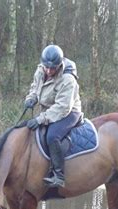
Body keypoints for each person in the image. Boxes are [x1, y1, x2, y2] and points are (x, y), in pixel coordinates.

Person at [24, 44, 82, 188]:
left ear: (59, 65)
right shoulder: (40, 70)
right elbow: (35, 87)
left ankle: (59, 176)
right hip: (49, 111)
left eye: (53, 68)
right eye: (46, 67)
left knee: (52, 136)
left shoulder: (68, 79)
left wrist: (40, 119)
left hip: (69, 112)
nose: (49, 71)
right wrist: (31, 98)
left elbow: (63, 107)